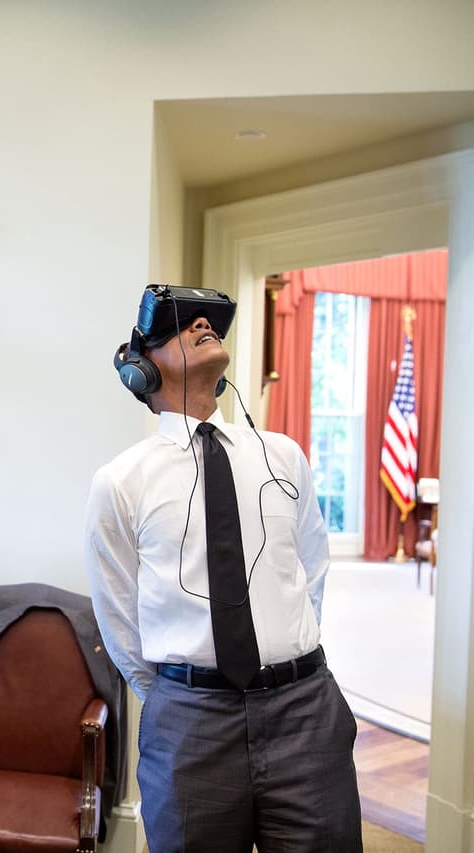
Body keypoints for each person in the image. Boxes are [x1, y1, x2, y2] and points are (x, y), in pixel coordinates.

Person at [85, 286, 361, 853]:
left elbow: (311, 569)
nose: (202, 325)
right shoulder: (120, 482)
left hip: (304, 712)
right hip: (192, 725)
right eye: (179, 326)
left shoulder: (283, 456)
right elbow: (119, 618)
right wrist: (179, 693)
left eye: (208, 322)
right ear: (140, 370)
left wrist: (285, 657)